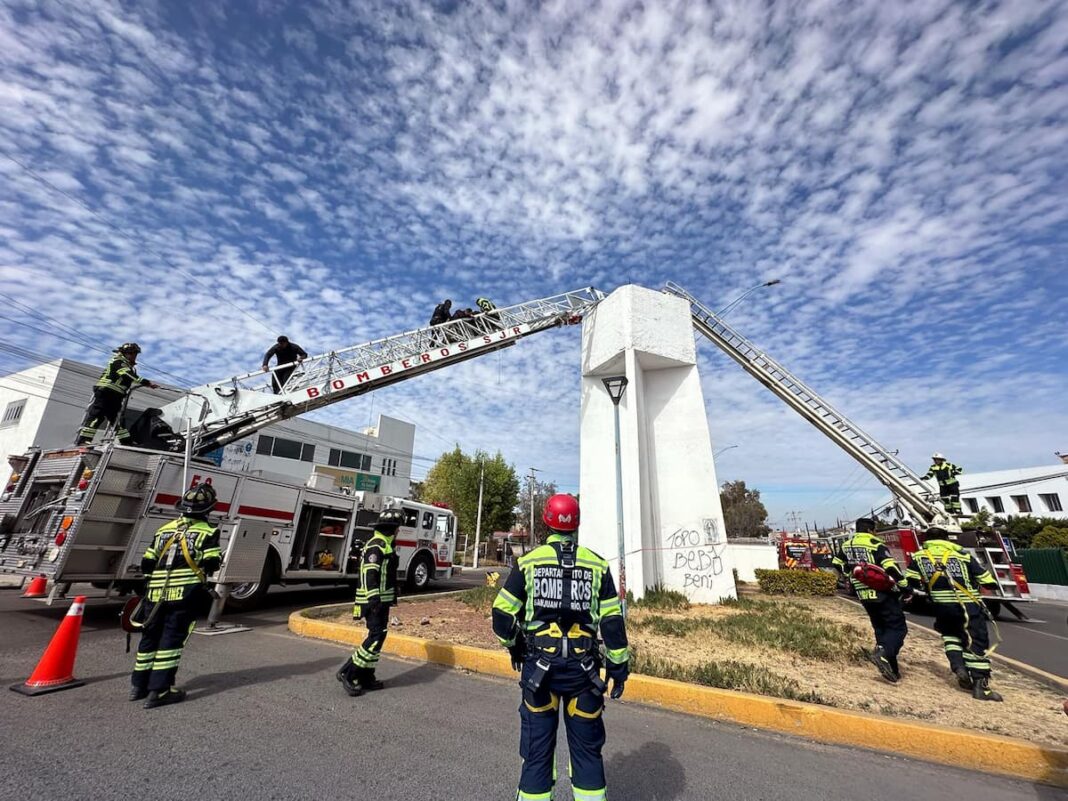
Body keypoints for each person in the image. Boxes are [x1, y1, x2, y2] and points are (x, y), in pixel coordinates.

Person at [492, 494, 629, 801]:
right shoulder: (597, 565)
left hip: (539, 670)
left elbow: (501, 614)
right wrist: (618, 667)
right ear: (576, 523)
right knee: (587, 755)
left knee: (538, 754)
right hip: (584, 674)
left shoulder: (528, 563)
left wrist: (515, 645)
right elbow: (612, 621)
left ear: (546, 520)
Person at [130, 483, 221, 708]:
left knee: (150, 636)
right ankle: (159, 691)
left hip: (155, 594)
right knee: (171, 641)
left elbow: (148, 562)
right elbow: (212, 563)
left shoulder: (165, 529)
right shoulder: (208, 531)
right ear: (208, 509)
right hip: (184, 594)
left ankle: (138, 686)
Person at [905, 529, 1003, 701]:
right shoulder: (962, 555)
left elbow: (911, 581)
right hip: (968, 606)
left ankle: (959, 667)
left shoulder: (919, 556)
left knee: (950, 637)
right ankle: (981, 685)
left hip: (941, 607)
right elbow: (987, 580)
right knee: (976, 641)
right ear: (946, 538)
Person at [831, 517, 909, 682]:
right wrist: (903, 585)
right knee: (898, 628)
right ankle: (883, 653)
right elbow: (889, 566)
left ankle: (892, 669)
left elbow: (836, 562)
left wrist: (850, 574)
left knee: (881, 628)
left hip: (862, 593)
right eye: (875, 530)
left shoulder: (847, 545)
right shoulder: (875, 544)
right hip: (881, 590)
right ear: (870, 530)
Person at [337, 507, 404, 697]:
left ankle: (366, 676)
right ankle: (349, 674)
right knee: (375, 636)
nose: (399, 530)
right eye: (398, 527)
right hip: (373, 601)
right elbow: (369, 572)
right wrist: (374, 598)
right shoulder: (377, 545)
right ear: (392, 528)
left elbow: (384, 573)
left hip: (381, 600)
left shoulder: (384, 544)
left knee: (379, 636)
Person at [75, 343, 158, 445]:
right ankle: (83, 440)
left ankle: (126, 442)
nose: (134, 356)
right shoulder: (118, 361)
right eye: (132, 353)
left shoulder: (127, 365)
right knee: (97, 415)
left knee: (118, 420)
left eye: (135, 354)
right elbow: (127, 375)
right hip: (106, 392)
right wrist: (147, 383)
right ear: (125, 353)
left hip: (116, 395)